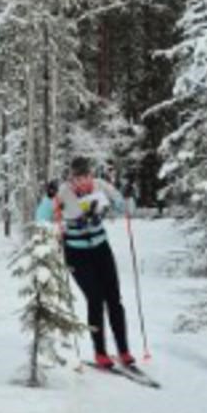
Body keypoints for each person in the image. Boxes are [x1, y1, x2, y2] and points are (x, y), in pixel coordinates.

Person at [37, 156, 133, 368]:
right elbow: (41, 217)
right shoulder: (63, 192)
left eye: (87, 177)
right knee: (95, 299)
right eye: (78, 178)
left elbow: (124, 209)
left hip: (101, 249)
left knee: (114, 299)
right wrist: (49, 198)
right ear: (72, 179)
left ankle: (124, 350)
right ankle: (100, 352)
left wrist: (126, 197)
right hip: (76, 253)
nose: (83, 182)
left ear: (91, 175)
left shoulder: (101, 186)